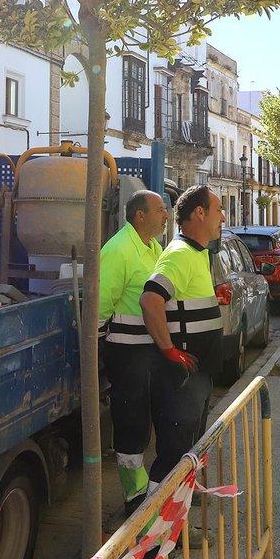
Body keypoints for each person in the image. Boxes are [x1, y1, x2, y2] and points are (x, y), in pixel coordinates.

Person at [137, 185, 224, 493]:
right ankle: (155, 537)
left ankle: (178, 532)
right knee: (173, 460)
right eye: (218, 210)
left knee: (187, 457)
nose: (223, 217)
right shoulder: (180, 254)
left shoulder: (197, 253)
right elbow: (150, 300)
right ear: (199, 213)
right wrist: (169, 350)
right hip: (181, 380)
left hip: (195, 376)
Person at [101, 190, 169, 516]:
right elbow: (100, 305)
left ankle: (147, 499)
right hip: (126, 354)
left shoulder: (153, 248)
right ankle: (135, 501)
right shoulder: (118, 250)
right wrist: (103, 345)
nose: (165, 215)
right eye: (159, 210)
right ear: (139, 215)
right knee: (130, 428)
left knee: (144, 427)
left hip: (148, 352)